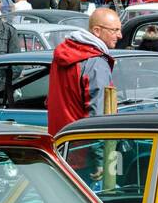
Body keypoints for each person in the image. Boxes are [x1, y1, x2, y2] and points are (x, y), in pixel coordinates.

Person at [46, 7, 121, 136]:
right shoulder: (96, 62)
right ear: (97, 31)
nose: (120, 35)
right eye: (114, 30)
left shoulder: (63, 53)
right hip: (83, 146)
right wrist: (101, 155)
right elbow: (99, 120)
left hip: (60, 140)